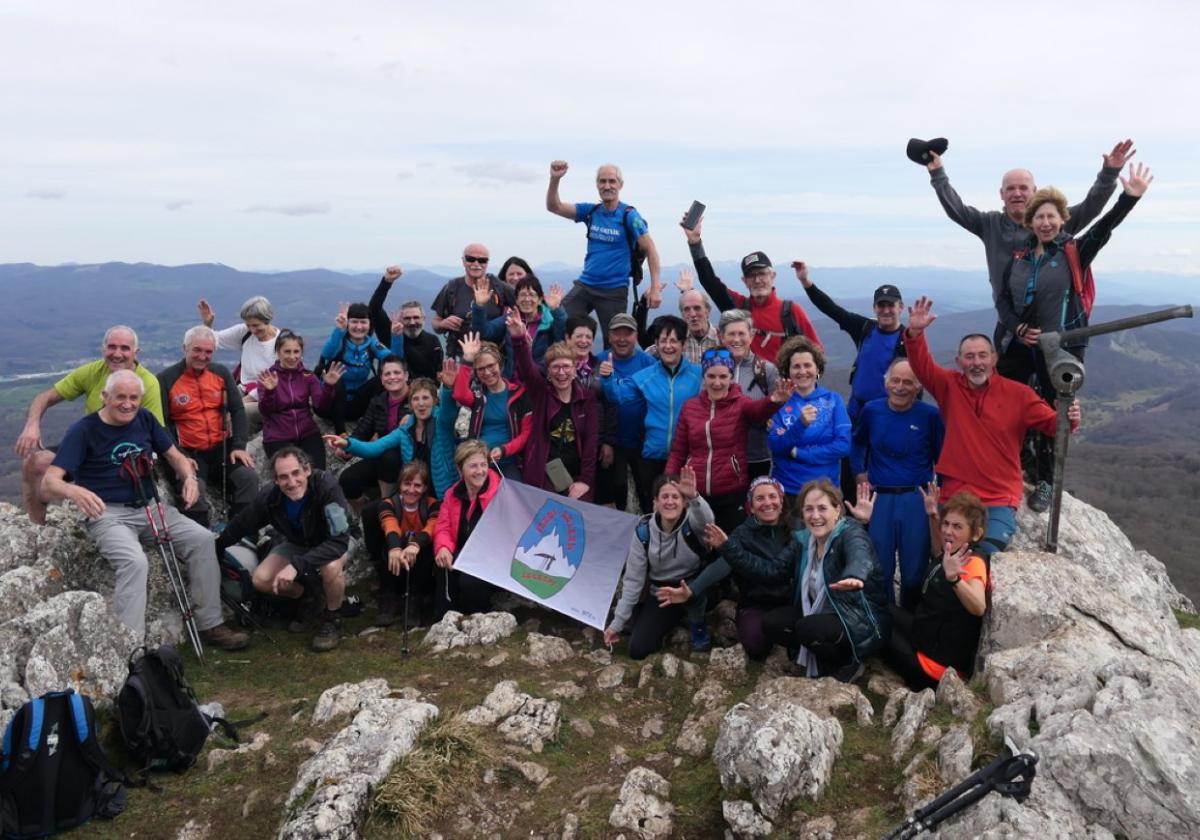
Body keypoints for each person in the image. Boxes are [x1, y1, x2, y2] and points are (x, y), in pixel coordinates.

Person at [40, 369, 248, 649]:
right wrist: (74, 490)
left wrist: (189, 478)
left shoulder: (145, 420)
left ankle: (211, 624)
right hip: (108, 513)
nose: (127, 404)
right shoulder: (84, 430)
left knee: (202, 540)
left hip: (151, 508)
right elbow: (49, 482)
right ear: (105, 397)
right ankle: (131, 647)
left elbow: (176, 457)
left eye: (134, 398)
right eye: (120, 397)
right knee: (134, 562)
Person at [995, 163, 1153, 510]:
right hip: (1022, 344)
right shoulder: (1018, 258)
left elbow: (1104, 228)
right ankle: (1014, 465)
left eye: (1052, 217)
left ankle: (1047, 482)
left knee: (1056, 413)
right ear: (1030, 222)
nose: (1046, 223)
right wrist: (1017, 328)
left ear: (1062, 219)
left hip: (1062, 346)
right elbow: (1002, 301)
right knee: (1006, 402)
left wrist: (1129, 198)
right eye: (1039, 218)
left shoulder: (1074, 252)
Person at [903, 296, 1081, 555]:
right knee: (946, 557)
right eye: (970, 357)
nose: (977, 362)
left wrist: (1070, 416)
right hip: (956, 493)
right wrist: (915, 333)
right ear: (959, 361)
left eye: (983, 355)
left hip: (999, 496)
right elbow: (922, 366)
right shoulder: (949, 386)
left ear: (994, 359)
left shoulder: (1018, 394)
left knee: (985, 554)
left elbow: (1054, 426)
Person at [923, 139, 1135, 297]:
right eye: (1011, 189)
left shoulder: (1054, 221)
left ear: (1034, 191)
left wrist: (1109, 174)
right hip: (1010, 324)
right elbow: (956, 210)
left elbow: (1092, 206)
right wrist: (938, 174)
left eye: (1023, 188)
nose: (1017, 193)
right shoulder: (990, 224)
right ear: (1001, 194)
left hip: (1054, 319)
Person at [15, 325, 164, 524]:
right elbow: (45, 397)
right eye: (112, 347)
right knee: (34, 463)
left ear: (136, 352)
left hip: (120, 454)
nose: (117, 354)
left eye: (125, 348)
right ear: (104, 350)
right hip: (88, 447)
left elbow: (152, 434)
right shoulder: (93, 372)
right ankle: (37, 525)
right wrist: (32, 425)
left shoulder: (147, 383)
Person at [216, 447, 353, 652]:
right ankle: (310, 597)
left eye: (296, 473)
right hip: (298, 543)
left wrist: (296, 566)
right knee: (261, 580)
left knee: (331, 567)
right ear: (275, 480)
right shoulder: (270, 498)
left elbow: (339, 541)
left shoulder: (326, 487)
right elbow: (243, 523)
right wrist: (216, 547)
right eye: (283, 477)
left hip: (334, 541)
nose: (291, 482)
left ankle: (332, 618)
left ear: (306, 470)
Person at [759, 479, 891, 682]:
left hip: (857, 618)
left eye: (822, 508)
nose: (815, 516)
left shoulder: (850, 532)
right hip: (820, 613)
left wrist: (855, 575)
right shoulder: (803, 540)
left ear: (837, 511)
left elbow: (860, 555)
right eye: (809, 509)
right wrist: (728, 548)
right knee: (771, 623)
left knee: (807, 628)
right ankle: (821, 655)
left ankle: (847, 662)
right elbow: (771, 571)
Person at [656, 476, 794, 660]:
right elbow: (722, 564)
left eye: (772, 497)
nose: (767, 503)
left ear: (781, 501)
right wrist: (692, 590)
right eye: (760, 499)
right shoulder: (743, 534)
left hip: (791, 601)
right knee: (755, 645)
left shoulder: (797, 530)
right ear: (751, 507)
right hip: (756, 603)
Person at [666, 348, 792, 531]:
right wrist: (669, 479)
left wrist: (774, 400)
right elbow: (678, 451)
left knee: (729, 544)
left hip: (732, 491)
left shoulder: (741, 404)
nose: (717, 383)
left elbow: (759, 411)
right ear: (704, 377)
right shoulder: (690, 407)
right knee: (700, 545)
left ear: (731, 377)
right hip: (696, 492)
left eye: (723, 377)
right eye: (711, 376)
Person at [852, 359, 944, 608]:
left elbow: (942, 457)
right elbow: (858, 443)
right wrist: (859, 473)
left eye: (907, 382)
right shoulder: (872, 410)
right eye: (895, 380)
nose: (900, 387)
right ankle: (886, 626)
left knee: (914, 572)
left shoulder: (930, 415)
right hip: (880, 499)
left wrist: (941, 498)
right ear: (886, 383)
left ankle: (911, 625)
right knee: (880, 568)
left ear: (918, 387)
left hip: (915, 499)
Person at [545, 161, 663, 345]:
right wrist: (555, 179)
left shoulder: (629, 215)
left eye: (612, 181)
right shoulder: (591, 211)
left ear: (620, 185)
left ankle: (610, 373)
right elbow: (554, 206)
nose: (607, 186)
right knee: (560, 323)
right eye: (602, 181)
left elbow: (650, 248)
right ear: (597, 184)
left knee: (615, 342)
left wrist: (655, 288)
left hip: (614, 290)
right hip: (586, 284)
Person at [603, 466, 716, 658]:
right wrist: (617, 624)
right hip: (663, 594)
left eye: (676, 497)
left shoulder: (693, 524)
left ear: (684, 502)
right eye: (665, 497)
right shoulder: (643, 533)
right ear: (655, 502)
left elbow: (708, 523)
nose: (670, 502)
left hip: (694, 587)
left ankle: (697, 624)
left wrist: (695, 497)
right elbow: (633, 581)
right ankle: (668, 620)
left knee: (701, 596)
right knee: (637, 649)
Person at [884, 490, 989, 691]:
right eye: (946, 524)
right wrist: (933, 516)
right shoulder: (952, 553)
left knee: (875, 626)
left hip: (934, 670)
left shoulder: (973, 562)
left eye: (957, 526)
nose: (949, 531)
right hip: (923, 638)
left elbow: (978, 606)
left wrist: (955, 580)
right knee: (880, 606)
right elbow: (938, 549)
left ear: (976, 534)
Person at [158, 326, 259, 528]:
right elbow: (162, 424)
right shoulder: (166, 379)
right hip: (189, 452)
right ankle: (202, 540)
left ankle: (244, 535)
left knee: (248, 478)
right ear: (184, 348)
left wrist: (239, 445)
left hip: (221, 448)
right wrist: (178, 456)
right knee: (194, 490)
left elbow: (238, 410)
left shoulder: (220, 373)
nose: (202, 356)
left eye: (208, 352)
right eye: (197, 350)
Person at [600, 315, 702, 510]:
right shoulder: (645, 376)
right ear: (656, 344)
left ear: (683, 344)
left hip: (687, 456)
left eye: (674, 341)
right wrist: (608, 379)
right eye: (663, 341)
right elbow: (618, 397)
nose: (668, 346)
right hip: (652, 456)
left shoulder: (698, 374)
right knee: (653, 508)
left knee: (688, 508)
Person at [683, 218, 821, 360]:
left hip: (783, 382)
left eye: (762, 274)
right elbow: (710, 282)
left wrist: (808, 380)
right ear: (744, 281)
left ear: (772, 276)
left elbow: (817, 353)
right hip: (743, 381)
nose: (757, 280)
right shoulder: (738, 308)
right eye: (751, 276)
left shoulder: (791, 312)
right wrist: (695, 243)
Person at [795, 265, 906, 423]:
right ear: (874, 308)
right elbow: (832, 310)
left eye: (891, 305)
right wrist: (806, 282)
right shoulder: (865, 328)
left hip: (886, 416)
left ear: (900, 307)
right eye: (881, 305)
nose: (886, 310)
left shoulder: (907, 339)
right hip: (855, 411)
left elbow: (916, 380)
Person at [510, 316, 600, 501]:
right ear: (548, 372)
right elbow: (527, 368)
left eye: (566, 367)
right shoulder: (541, 394)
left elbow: (591, 443)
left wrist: (585, 480)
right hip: (543, 476)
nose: (561, 373)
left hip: (576, 479)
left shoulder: (587, 398)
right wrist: (519, 340)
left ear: (575, 369)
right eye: (555, 367)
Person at [327, 376, 459, 500]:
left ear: (435, 401)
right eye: (416, 399)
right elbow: (374, 447)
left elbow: (449, 412)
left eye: (425, 398)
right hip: (415, 492)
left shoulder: (442, 424)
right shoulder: (405, 429)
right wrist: (346, 443)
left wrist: (447, 388)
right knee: (370, 513)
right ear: (411, 404)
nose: (421, 403)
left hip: (442, 493)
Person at [768, 336, 851, 512]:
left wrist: (798, 452)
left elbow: (843, 446)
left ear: (817, 368)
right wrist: (800, 425)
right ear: (787, 371)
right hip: (789, 492)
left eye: (807, 365)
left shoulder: (833, 400)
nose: (802, 371)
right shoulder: (779, 403)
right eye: (796, 366)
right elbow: (776, 446)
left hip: (826, 491)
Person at [360, 462, 441, 627]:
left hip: (419, 562)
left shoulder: (433, 505)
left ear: (425, 488)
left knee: (424, 549)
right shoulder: (388, 504)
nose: (411, 490)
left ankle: (414, 599)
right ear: (400, 484)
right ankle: (389, 596)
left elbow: (432, 527)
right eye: (407, 484)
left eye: (417, 485)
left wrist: (416, 544)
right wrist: (395, 548)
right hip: (395, 559)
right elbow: (389, 525)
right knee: (389, 546)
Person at [432, 440, 504, 619]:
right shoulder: (452, 494)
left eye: (483, 465)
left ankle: (479, 620)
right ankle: (445, 620)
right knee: (442, 563)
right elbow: (443, 526)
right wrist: (443, 547)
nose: (480, 471)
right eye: (473, 466)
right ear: (460, 469)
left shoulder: (502, 492)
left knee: (468, 580)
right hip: (464, 555)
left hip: (492, 560)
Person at [450, 334, 533, 480]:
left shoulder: (519, 393)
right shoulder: (478, 395)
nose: (487, 373)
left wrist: (503, 450)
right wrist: (467, 360)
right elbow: (460, 395)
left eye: (491, 366)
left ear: (500, 365)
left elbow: (526, 434)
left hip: (509, 462)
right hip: (479, 462)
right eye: (481, 369)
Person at [197, 295, 281, 435]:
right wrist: (207, 325)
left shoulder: (281, 343)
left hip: (268, 395)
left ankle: (241, 447)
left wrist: (242, 402)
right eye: (249, 325)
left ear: (268, 320)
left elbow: (278, 381)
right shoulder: (245, 333)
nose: (252, 330)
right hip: (243, 388)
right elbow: (213, 339)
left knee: (242, 414)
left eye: (256, 325)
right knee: (210, 405)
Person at [256, 330, 340, 470]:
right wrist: (270, 391)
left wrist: (329, 387)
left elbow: (321, 406)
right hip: (278, 436)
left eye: (296, 352)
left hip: (308, 433)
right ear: (278, 352)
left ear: (301, 353)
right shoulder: (268, 377)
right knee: (291, 475)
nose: (292, 356)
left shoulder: (308, 377)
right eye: (287, 352)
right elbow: (265, 411)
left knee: (317, 473)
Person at [335, 357, 412, 507]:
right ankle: (366, 512)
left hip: (410, 458)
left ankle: (387, 504)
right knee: (347, 481)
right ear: (381, 379)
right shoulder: (378, 401)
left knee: (390, 457)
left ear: (406, 376)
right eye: (387, 374)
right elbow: (363, 430)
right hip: (380, 454)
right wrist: (347, 446)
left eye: (397, 372)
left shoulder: (416, 399)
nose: (392, 377)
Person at [601, 313, 657, 511]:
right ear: (609, 336)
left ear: (635, 337)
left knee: (646, 491)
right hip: (612, 442)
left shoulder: (649, 363)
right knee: (616, 490)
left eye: (628, 333)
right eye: (617, 334)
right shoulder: (599, 361)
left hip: (642, 440)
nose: (622, 339)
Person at [718, 310, 780, 479]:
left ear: (751, 336)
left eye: (741, 334)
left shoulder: (767, 370)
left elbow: (779, 414)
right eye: (731, 334)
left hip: (759, 458)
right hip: (721, 458)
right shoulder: (712, 370)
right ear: (721, 336)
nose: (736, 339)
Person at [315, 302, 394, 434]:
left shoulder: (372, 345)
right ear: (348, 323)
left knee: (383, 379)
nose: (359, 327)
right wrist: (339, 330)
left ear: (369, 325)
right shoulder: (339, 341)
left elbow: (394, 361)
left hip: (355, 407)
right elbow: (326, 354)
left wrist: (396, 337)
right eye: (354, 322)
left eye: (363, 322)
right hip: (328, 406)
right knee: (336, 381)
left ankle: (376, 429)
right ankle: (341, 434)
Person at [471, 275, 566, 380]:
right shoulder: (510, 319)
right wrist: (479, 306)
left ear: (540, 300)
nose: (527, 299)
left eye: (532, 295)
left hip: (540, 379)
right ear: (516, 299)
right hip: (513, 380)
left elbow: (563, 339)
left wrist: (556, 309)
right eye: (523, 295)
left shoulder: (549, 321)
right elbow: (484, 333)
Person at [431, 244, 515, 360]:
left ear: (487, 263)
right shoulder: (452, 288)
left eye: (482, 260)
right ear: (463, 261)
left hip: (495, 358)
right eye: (470, 259)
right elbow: (436, 322)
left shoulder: (499, 287)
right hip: (460, 356)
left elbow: (523, 311)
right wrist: (442, 324)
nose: (476, 264)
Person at [366, 267, 445, 382]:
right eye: (407, 318)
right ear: (400, 319)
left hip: (421, 396)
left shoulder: (433, 341)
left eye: (416, 317)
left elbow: (437, 374)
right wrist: (386, 282)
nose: (412, 322)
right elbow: (374, 308)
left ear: (423, 319)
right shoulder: (390, 335)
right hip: (391, 393)